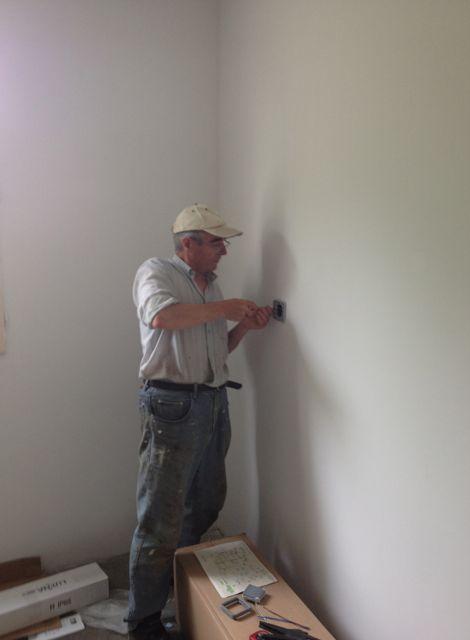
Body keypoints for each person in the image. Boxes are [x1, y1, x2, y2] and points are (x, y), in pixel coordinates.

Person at [127, 204, 271, 638]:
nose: (224, 250)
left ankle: (181, 590)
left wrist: (243, 327)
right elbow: (161, 316)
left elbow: (215, 350)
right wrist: (225, 307)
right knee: (160, 519)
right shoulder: (156, 272)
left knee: (206, 502)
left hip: (212, 402)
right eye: (216, 242)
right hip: (171, 407)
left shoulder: (212, 287)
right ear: (187, 244)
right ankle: (144, 622)